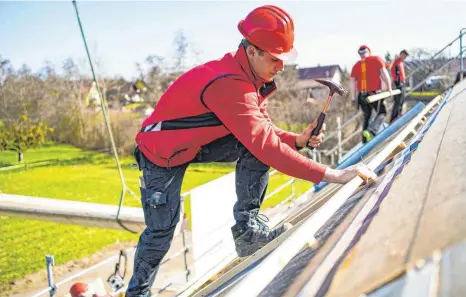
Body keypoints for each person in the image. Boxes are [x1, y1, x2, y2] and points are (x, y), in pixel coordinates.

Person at [126, 5, 377, 297]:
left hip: (197, 142)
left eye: (284, 59)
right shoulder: (229, 84)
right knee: (160, 233)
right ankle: (137, 294)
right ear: (252, 51)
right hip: (160, 154)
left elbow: (261, 131)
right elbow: (264, 144)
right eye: (274, 58)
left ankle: (248, 231)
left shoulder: (253, 81)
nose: (281, 67)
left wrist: (296, 139)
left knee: (254, 147)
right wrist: (334, 174)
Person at [351, 45, 392, 143]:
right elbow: (384, 74)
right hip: (374, 94)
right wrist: (389, 88)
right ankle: (371, 131)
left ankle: (365, 140)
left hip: (362, 95)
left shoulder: (356, 65)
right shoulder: (376, 60)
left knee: (367, 116)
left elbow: (352, 82)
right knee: (382, 112)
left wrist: (353, 97)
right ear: (369, 51)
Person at [388, 49, 409, 123]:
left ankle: (399, 115)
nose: (405, 58)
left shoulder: (401, 62)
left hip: (402, 83)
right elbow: (392, 71)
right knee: (397, 101)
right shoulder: (396, 61)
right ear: (401, 54)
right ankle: (393, 118)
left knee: (402, 100)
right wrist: (397, 80)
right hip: (398, 83)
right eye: (404, 56)